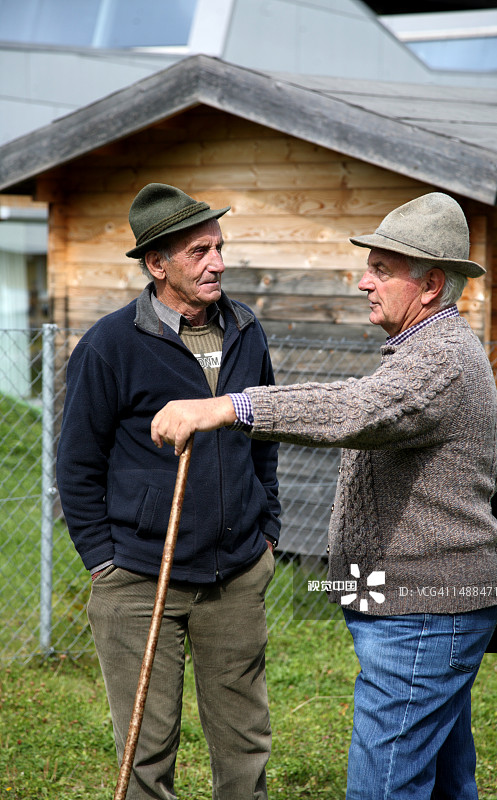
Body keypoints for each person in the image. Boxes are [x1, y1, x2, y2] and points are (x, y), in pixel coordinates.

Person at [150, 192, 497, 800]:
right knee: (445, 784)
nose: (364, 282)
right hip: (424, 604)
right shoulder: (425, 349)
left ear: (430, 286)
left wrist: (228, 406)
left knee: (383, 786)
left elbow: (354, 409)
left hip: (423, 612)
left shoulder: (442, 359)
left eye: (382, 270)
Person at [56, 183, 280, 800]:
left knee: (244, 741)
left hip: (236, 573)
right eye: (198, 252)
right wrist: (104, 561)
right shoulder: (110, 345)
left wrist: (267, 528)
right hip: (139, 577)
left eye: (219, 247)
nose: (217, 263)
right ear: (157, 264)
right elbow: (77, 464)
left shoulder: (246, 329)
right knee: (147, 750)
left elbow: (263, 435)